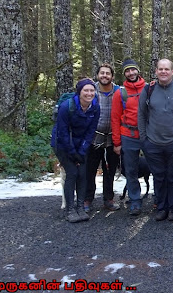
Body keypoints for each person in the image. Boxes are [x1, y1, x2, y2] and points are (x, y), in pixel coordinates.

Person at [139, 58, 173, 222]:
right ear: (156, 71)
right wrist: (144, 139)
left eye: (166, 69)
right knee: (159, 175)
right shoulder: (148, 90)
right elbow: (141, 115)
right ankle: (161, 207)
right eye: (160, 69)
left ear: (172, 72)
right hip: (153, 143)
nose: (163, 72)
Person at [52, 78, 100, 223]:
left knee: (82, 174)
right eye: (86, 90)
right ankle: (70, 209)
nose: (89, 93)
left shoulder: (95, 107)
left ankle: (80, 207)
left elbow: (91, 131)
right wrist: (73, 153)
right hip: (62, 144)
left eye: (92, 90)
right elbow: (63, 132)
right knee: (72, 173)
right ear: (79, 92)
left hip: (81, 145)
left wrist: (82, 150)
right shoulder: (67, 107)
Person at [111, 59, 146, 216]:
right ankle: (135, 201)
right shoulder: (121, 92)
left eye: (133, 70)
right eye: (127, 71)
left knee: (157, 167)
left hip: (147, 134)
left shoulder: (148, 89)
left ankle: (159, 200)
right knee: (130, 170)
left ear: (138, 71)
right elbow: (115, 118)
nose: (131, 73)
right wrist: (117, 142)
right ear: (124, 73)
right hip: (128, 135)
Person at [83, 63, 120, 212]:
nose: (105, 76)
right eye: (102, 73)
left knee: (110, 171)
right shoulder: (91, 91)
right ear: (97, 75)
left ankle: (108, 199)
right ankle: (87, 199)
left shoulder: (118, 91)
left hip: (113, 138)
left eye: (108, 73)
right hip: (94, 138)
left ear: (112, 76)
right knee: (90, 170)